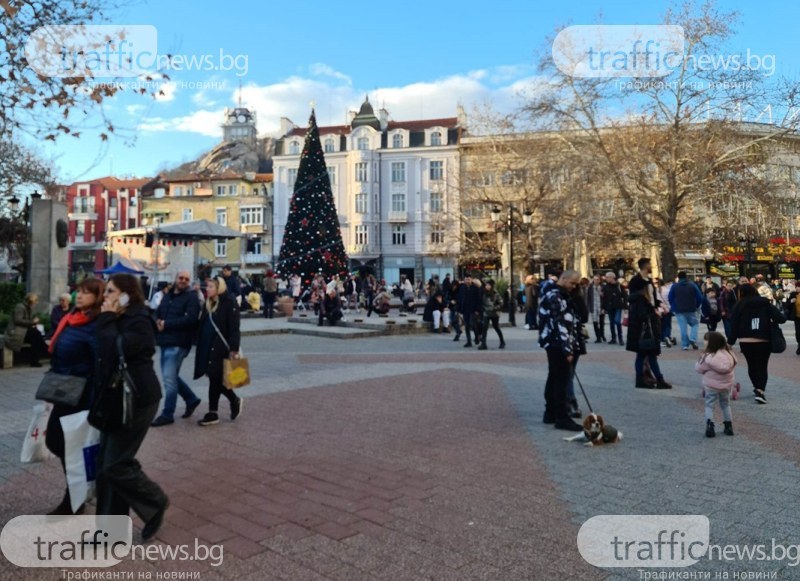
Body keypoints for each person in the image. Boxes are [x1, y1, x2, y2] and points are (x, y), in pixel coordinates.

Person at [94, 273, 169, 541]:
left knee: (116, 464)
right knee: (107, 465)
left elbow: (116, 348)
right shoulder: (121, 318)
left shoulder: (139, 320)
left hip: (138, 399)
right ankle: (109, 531)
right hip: (116, 398)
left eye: (111, 291)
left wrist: (107, 319)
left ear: (127, 294)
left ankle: (155, 501)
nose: (106, 297)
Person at [44, 278, 104, 514]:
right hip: (63, 390)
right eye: (78, 291)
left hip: (81, 395)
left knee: (69, 446)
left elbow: (100, 365)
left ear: (97, 297)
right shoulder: (70, 319)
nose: (79, 296)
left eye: (86, 293)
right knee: (56, 442)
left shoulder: (95, 325)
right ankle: (79, 491)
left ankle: (74, 499)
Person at [151, 271, 202, 427]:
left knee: (168, 379)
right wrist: (157, 321)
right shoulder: (168, 295)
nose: (183, 281)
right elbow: (157, 312)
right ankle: (191, 399)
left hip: (179, 342)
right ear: (175, 278)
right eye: (181, 278)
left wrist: (166, 324)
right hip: (164, 341)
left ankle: (168, 414)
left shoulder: (192, 297)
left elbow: (191, 319)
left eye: (186, 279)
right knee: (171, 377)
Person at [194, 277, 243, 425]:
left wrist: (234, 348)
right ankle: (232, 401)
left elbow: (234, 327)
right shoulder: (208, 304)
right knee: (215, 378)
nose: (207, 289)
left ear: (218, 288)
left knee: (215, 378)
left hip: (221, 347)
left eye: (210, 287)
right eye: (207, 286)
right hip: (207, 346)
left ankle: (213, 412)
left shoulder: (229, 303)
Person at [538, 270, 583, 431]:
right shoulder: (556, 296)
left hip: (553, 341)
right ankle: (561, 416)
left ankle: (550, 412)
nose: (574, 286)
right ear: (563, 279)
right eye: (572, 283)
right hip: (558, 342)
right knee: (561, 380)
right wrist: (568, 349)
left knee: (554, 377)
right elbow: (560, 323)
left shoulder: (554, 293)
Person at [728, 284, 786, 404]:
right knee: (762, 365)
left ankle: (756, 387)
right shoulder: (765, 304)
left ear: (741, 293)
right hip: (763, 340)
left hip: (745, 340)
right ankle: (760, 390)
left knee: (752, 365)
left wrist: (730, 342)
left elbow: (733, 326)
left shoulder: (738, 305)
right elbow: (781, 318)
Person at [627, 258, 672, 390]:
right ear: (644, 266)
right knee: (647, 352)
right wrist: (650, 314)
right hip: (644, 324)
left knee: (647, 353)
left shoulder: (648, 281)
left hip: (650, 320)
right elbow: (638, 301)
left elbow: (652, 298)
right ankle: (653, 379)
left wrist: (659, 305)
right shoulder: (636, 282)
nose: (652, 266)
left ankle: (647, 378)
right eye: (650, 264)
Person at [695, 331, 737, 437]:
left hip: (711, 385)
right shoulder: (729, 354)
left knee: (709, 405)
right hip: (726, 385)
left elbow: (699, 369)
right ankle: (728, 426)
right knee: (726, 404)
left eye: (706, 340)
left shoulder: (708, 357)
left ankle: (710, 426)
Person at [4, 292, 49, 367]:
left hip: (24, 330)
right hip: (16, 332)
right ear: (30, 301)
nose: (36, 303)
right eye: (35, 301)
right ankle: (44, 351)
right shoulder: (20, 307)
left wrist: (33, 322)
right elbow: (18, 320)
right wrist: (32, 322)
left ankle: (37, 359)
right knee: (36, 335)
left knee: (36, 336)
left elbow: (27, 321)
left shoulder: (28, 307)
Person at [668, 271, 703, 350]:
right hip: (691, 308)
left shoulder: (674, 286)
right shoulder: (692, 285)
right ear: (686, 277)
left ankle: (685, 345)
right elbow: (700, 297)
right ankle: (692, 338)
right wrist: (696, 306)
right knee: (695, 324)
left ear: (678, 277)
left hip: (679, 309)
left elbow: (670, 298)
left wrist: (673, 306)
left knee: (683, 328)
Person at [478, 279, 505, 350]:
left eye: (488, 285)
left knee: (496, 327)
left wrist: (495, 308)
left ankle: (502, 341)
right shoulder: (483, 293)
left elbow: (501, 302)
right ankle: (483, 344)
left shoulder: (495, 293)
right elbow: (481, 302)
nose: (487, 286)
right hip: (486, 313)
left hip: (494, 313)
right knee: (484, 328)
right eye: (486, 285)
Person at [602, 272, 626, 345]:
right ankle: (613, 338)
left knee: (617, 321)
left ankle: (620, 338)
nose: (606, 279)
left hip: (617, 306)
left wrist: (625, 306)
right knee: (612, 323)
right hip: (609, 307)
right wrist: (603, 307)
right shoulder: (605, 287)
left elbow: (624, 296)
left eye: (607, 277)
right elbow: (604, 298)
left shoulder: (619, 286)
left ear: (612, 277)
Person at [586, 274, 605, 343]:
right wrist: (588, 307)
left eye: (597, 279)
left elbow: (606, 298)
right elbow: (588, 298)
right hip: (593, 307)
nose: (596, 281)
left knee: (601, 323)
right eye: (594, 279)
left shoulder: (603, 287)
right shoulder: (590, 287)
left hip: (601, 307)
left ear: (600, 280)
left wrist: (602, 295)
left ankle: (602, 335)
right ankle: (598, 337)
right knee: (595, 323)